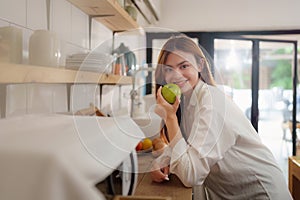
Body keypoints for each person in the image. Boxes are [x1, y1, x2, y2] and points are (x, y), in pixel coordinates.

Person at [150, 35, 292, 199]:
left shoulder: (212, 103)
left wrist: (170, 118)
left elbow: (191, 175)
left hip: (259, 193)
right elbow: (189, 149)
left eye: (183, 66)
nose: (176, 75)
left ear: (200, 65)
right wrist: (162, 161)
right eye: (168, 69)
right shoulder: (186, 102)